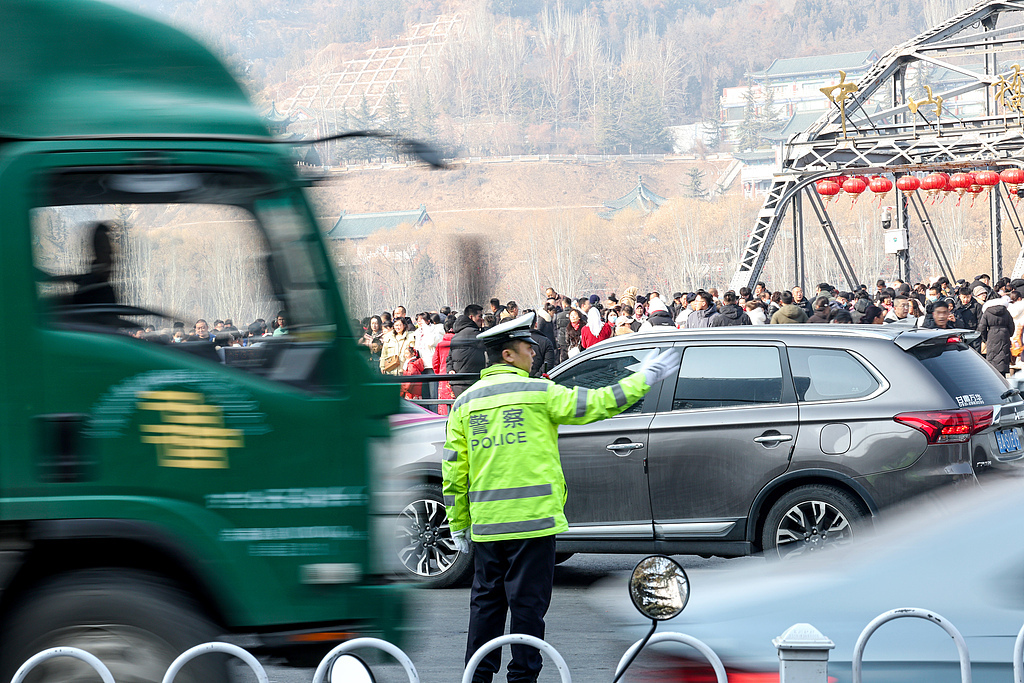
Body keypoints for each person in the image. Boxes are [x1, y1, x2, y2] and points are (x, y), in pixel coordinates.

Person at [442, 313, 679, 683]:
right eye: (526, 347)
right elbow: (600, 403)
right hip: (534, 523)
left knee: (485, 607)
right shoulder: (539, 393)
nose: (533, 353)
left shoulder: (465, 403)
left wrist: (459, 525)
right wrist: (644, 378)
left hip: (487, 527)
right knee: (528, 608)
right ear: (507, 354)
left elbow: (454, 471)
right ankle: (523, 679)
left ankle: (477, 676)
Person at [448, 304, 487, 397]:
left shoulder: (456, 336)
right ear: (471, 317)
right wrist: (485, 328)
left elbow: (449, 358)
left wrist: (450, 370)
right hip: (472, 382)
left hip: (457, 383)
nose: (482, 319)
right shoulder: (477, 335)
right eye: (480, 316)